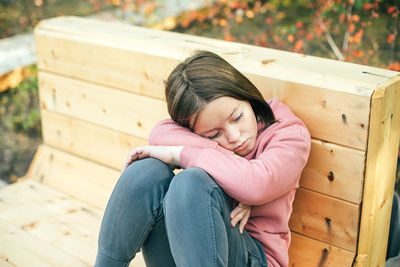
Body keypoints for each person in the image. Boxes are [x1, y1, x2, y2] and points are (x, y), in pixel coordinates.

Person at [94, 50, 312, 267]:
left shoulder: (288, 133)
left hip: (253, 256)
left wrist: (181, 154)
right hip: (191, 253)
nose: (235, 137)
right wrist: (236, 171)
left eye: (237, 117)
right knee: (147, 171)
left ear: (246, 94)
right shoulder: (215, 131)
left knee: (191, 183)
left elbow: (256, 184)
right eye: (214, 135)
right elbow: (160, 133)